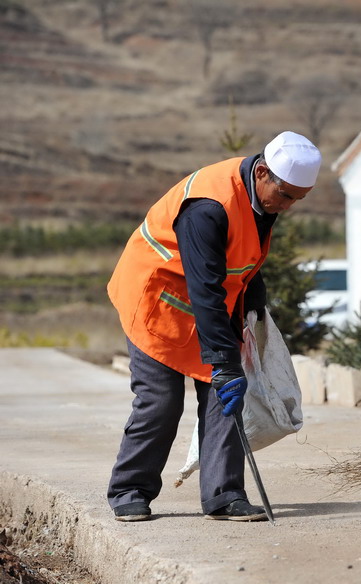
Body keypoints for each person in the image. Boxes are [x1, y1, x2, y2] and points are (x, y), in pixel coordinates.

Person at [106, 131, 321, 521]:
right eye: (286, 195)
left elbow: (239, 254)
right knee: (161, 400)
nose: (288, 206)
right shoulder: (208, 206)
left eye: (297, 199)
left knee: (226, 398)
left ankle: (224, 495)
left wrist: (254, 293)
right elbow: (204, 287)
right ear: (262, 173)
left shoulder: (262, 198)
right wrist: (222, 360)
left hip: (210, 306)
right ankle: (129, 490)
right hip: (160, 303)